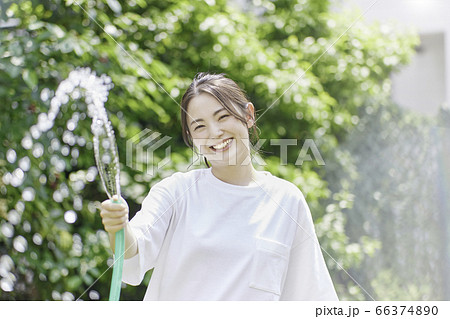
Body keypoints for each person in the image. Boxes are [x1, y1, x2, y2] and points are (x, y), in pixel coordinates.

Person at [100, 72, 339, 301]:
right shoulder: (175, 192)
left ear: (249, 115)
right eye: (199, 126)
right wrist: (118, 228)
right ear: (191, 137)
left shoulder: (287, 200)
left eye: (223, 116)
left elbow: (312, 296)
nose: (215, 132)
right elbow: (133, 252)